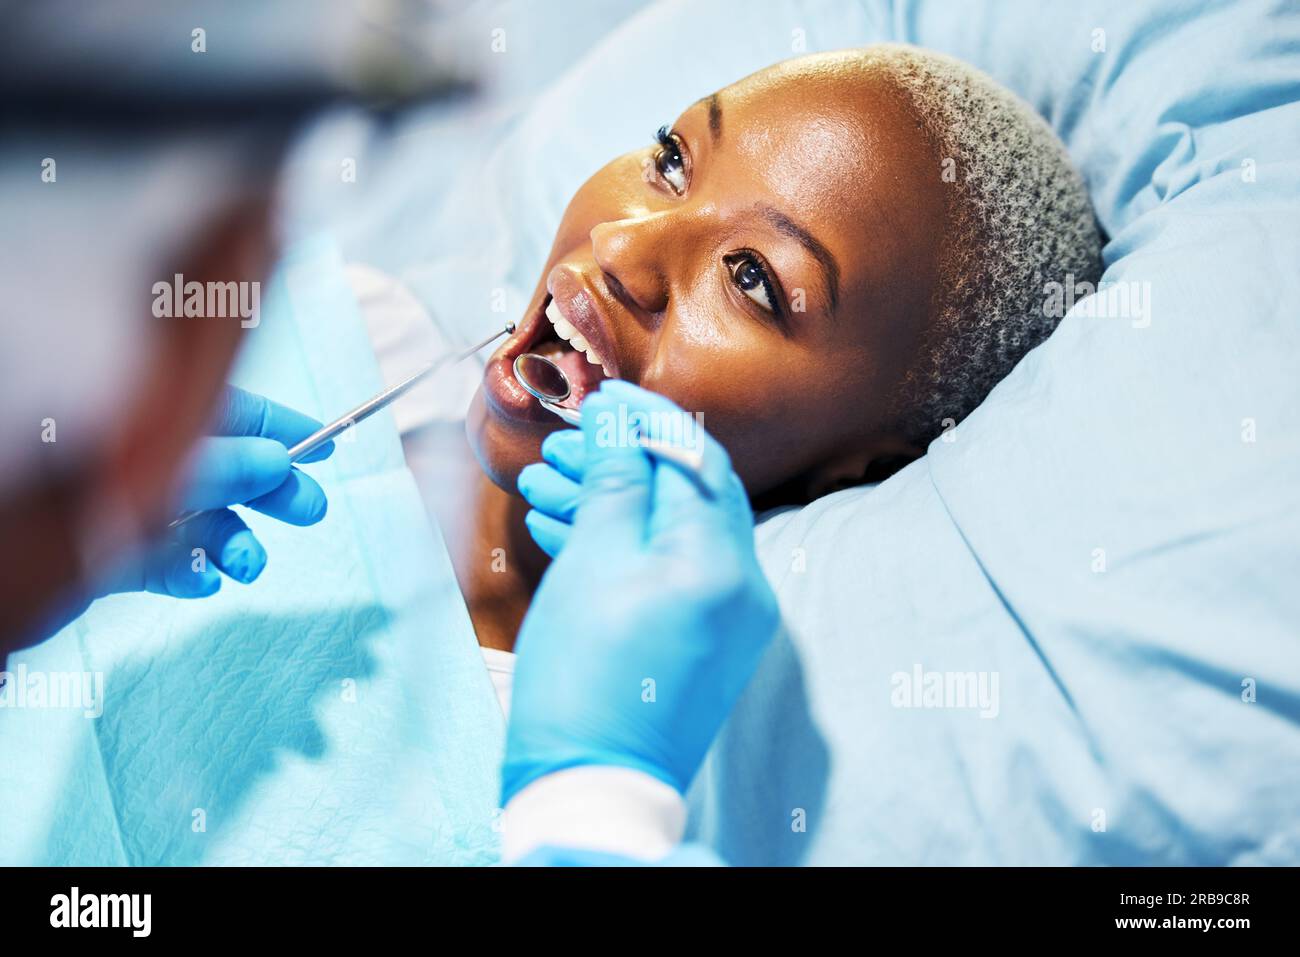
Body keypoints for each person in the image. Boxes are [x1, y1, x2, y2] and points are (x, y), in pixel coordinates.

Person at [366, 43, 1101, 708]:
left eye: (752, 279)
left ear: (856, 470)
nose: (620, 245)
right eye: (673, 161)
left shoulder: (593, 789)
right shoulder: (351, 320)